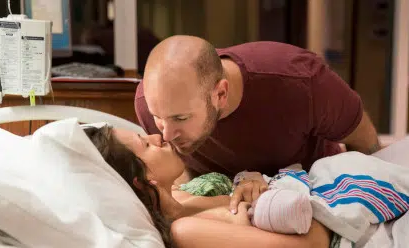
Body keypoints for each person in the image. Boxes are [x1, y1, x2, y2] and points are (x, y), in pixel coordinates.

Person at [134, 35, 381, 213]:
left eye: (180, 118)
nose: (165, 134)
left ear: (220, 94)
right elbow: (180, 181)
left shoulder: (300, 84)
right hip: (232, 204)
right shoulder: (150, 104)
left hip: (316, 194)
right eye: (159, 117)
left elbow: (365, 141)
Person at [83, 125, 332, 248]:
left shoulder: (183, 192)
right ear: (143, 180)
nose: (157, 136)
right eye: (146, 145)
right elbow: (315, 244)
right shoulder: (185, 231)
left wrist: (255, 184)